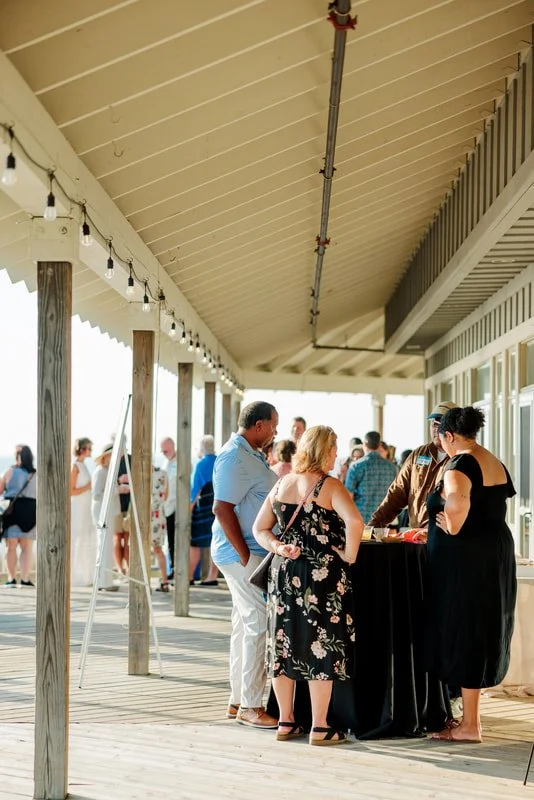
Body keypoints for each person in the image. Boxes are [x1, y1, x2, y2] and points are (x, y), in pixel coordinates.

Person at [253, 425, 363, 745]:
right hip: (321, 576)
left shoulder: (283, 483)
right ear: (322, 451)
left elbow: (260, 529)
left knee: (283, 645)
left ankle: (286, 721)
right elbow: (355, 521)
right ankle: (320, 726)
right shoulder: (329, 486)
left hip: (284, 573)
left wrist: (278, 547)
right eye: (333, 449)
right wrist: (350, 555)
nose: (336, 454)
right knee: (322, 645)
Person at [427, 407, 516, 743]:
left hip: (468, 559)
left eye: (441, 438)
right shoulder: (491, 459)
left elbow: (458, 506)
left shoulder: (459, 465)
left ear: (449, 436)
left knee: (465, 630)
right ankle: (471, 721)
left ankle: (469, 726)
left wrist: (449, 524)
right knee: (482, 629)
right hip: (495, 552)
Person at [212, 401, 279, 729]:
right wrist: (243, 555)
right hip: (241, 553)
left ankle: (238, 699)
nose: (275, 433)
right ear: (259, 425)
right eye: (273, 426)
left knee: (242, 623)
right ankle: (251, 706)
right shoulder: (234, 456)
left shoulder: (251, 454)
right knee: (257, 624)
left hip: (249, 551)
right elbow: (221, 508)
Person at [368, 401, 458, 531]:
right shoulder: (418, 454)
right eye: (433, 423)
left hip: (445, 537)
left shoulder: (461, 459)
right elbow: (396, 494)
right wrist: (372, 527)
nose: (436, 428)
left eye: (441, 424)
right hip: (416, 536)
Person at [0, 445, 37, 587]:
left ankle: (11, 579)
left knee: (11, 546)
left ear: (17, 457)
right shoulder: (35, 474)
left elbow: (0, 489)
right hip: (30, 510)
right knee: (27, 547)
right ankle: (25, 579)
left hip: (12, 510)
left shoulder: (10, 471)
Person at [91, 443, 124, 592]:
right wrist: (117, 490)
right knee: (104, 546)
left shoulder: (107, 471)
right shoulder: (100, 472)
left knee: (106, 546)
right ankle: (103, 581)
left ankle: (105, 580)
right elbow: (96, 495)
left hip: (107, 513)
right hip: (102, 513)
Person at [345, 431, 397, 524]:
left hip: (361, 519)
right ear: (379, 445)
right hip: (383, 519)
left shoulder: (356, 466)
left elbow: (348, 497)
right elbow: (394, 494)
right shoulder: (392, 468)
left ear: (364, 444)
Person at [190, 435, 218, 586]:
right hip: (219, 506)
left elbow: (195, 490)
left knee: (195, 543)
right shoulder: (219, 460)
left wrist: (189, 510)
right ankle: (212, 576)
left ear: (201, 448)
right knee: (216, 540)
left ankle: (188, 577)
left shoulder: (201, 464)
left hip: (204, 508)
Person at [70, 437, 96, 588]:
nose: (90, 451)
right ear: (81, 449)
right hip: (78, 506)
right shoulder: (75, 466)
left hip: (86, 506)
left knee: (86, 539)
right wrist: (88, 486)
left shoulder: (84, 465)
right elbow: (71, 490)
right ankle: (76, 575)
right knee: (77, 539)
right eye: (88, 448)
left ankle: (87, 575)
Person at [160, 437, 177, 580]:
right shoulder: (165, 463)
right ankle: (172, 569)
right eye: (162, 451)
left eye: (165, 450)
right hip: (166, 507)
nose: (164, 453)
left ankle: (177, 569)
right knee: (170, 540)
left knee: (176, 540)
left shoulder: (181, 463)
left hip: (178, 506)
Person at [151, 466, 169, 592]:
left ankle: (143, 582)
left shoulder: (141, 474)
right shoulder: (163, 473)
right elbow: (166, 495)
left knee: (142, 548)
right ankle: (165, 581)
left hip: (148, 513)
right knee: (158, 549)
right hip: (160, 513)